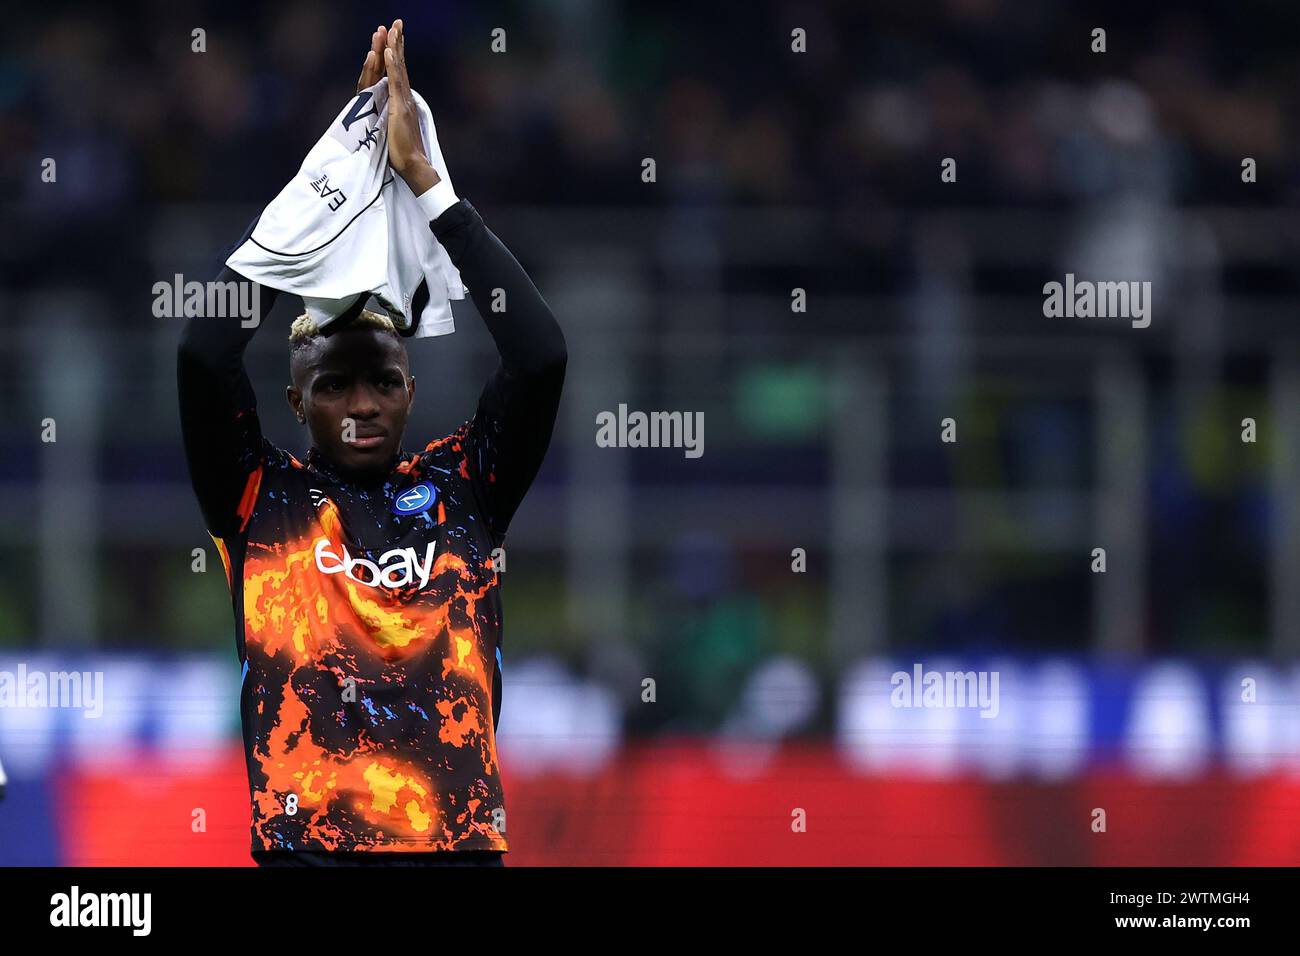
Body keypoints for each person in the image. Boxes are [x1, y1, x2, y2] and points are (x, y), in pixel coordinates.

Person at [176, 21, 566, 866]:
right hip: (307, 854)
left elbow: (540, 356)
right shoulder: (256, 496)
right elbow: (201, 352)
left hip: (458, 851)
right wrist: (332, 178)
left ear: (411, 389)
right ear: (294, 398)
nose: (362, 404)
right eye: (334, 385)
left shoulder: (467, 484)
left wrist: (430, 188)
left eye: (382, 381)